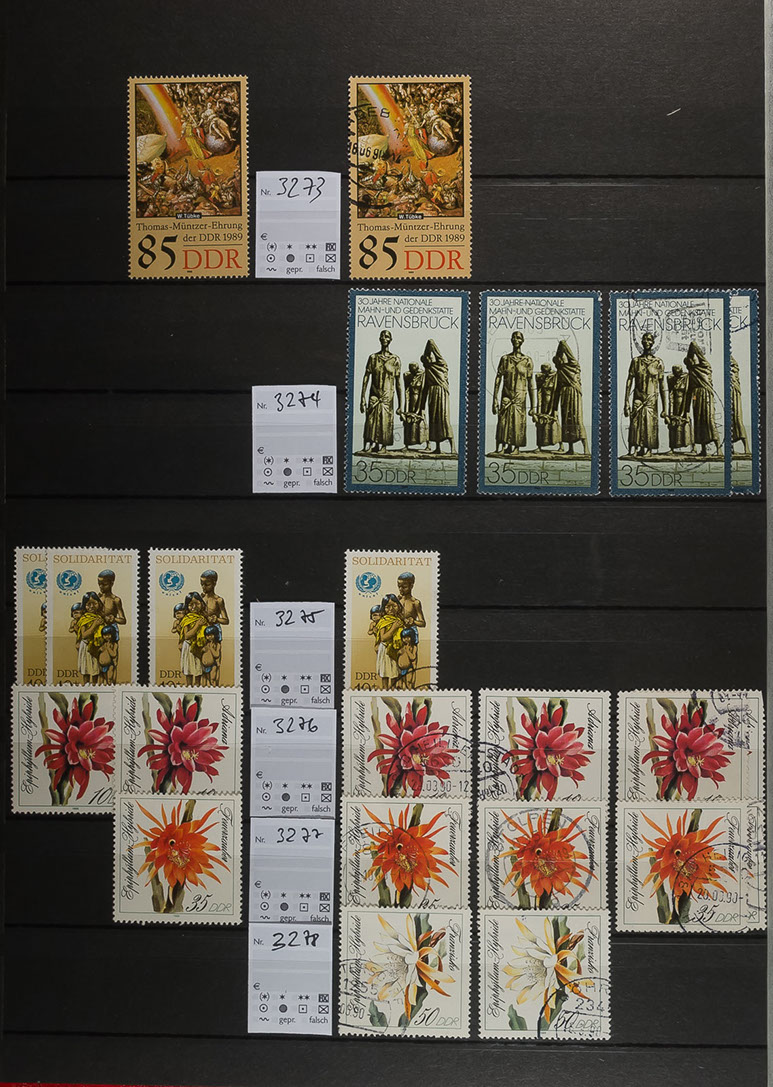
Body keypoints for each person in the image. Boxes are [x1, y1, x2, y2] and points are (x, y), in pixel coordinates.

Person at [623, 332, 667, 457]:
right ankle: (636, 448)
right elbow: (629, 381)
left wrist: (665, 408)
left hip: (651, 398)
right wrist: (626, 402)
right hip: (638, 397)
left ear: (653, 343)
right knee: (635, 423)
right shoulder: (636, 361)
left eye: (649, 340)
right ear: (641, 342)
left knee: (650, 424)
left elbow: (662, 386)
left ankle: (648, 449)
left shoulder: (658, 362)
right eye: (645, 339)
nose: (647, 342)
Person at [491, 331, 535, 454]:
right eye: (514, 337)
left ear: (522, 341)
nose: (516, 340)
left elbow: (531, 384)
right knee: (503, 421)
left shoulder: (527, 361)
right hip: (506, 395)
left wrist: (533, 406)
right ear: (511, 340)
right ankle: (504, 447)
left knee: (518, 422)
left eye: (519, 338)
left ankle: (516, 447)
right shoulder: (505, 359)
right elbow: (498, 378)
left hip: (520, 397)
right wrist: (494, 399)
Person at [360, 330, 403, 453]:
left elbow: (398, 383)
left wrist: (401, 405)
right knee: (371, 420)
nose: (384, 338)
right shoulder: (373, 358)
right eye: (382, 336)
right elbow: (366, 377)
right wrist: (362, 398)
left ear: (390, 340)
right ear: (379, 339)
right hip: (374, 393)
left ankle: (383, 446)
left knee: (385, 420)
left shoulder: (395, 359)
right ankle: (371, 444)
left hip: (387, 396)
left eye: (387, 336)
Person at [684, 341, 721, 457]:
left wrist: (691, 349)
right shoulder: (691, 372)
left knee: (709, 420)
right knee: (699, 422)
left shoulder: (705, 366)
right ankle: (704, 449)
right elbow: (689, 391)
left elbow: (694, 346)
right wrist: (687, 409)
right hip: (696, 397)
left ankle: (719, 449)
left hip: (706, 395)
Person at [552, 340, 588, 454]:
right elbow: (557, 391)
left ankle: (586, 449)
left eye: (561, 358)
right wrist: (554, 409)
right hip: (565, 396)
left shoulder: (573, 365)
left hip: (575, 394)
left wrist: (560, 347)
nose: (560, 360)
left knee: (578, 420)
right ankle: (571, 449)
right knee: (566, 422)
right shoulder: (560, 372)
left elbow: (565, 347)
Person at [420, 339, 456, 454]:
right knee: (434, 420)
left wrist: (427, 352)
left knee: (445, 419)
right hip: (432, 396)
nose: (429, 358)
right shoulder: (428, 370)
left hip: (442, 394)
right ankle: (438, 448)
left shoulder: (441, 364)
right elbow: (425, 389)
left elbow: (430, 342)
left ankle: (453, 448)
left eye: (430, 356)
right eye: (426, 358)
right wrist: (422, 407)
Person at [374, 594, 404, 690]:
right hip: (386, 649)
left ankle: (393, 691)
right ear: (384, 608)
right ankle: (385, 690)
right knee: (385, 673)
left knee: (394, 672)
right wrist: (394, 628)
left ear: (398, 606)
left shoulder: (398, 620)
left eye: (394, 606)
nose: (391, 609)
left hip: (395, 649)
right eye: (388, 607)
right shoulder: (383, 621)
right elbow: (383, 638)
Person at [178, 592, 207, 686]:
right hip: (189, 648)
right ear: (187, 606)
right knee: (189, 672)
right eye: (191, 605)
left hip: (198, 647)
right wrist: (197, 625)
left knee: (198, 672)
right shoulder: (187, 619)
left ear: (201, 604)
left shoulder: (202, 617)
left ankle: (197, 689)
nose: (194, 607)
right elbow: (187, 636)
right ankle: (189, 689)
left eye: (197, 603)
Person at [76, 592, 104, 683]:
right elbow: (84, 635)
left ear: (98, 603)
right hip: (86, 647)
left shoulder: (99, 617)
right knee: (86, 670)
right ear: (84, 606)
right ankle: (86, 687)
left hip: (95, 646)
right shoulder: (84, 618)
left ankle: (95, 687)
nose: (92, 606)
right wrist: (94, 625)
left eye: (94, 603)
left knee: (95, 670)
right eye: (88, 604)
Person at [666, 364, 695, 452]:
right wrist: (670, 411)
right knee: (673, 423)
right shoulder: (671, 379)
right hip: (675, 403)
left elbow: (691, 393)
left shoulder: (686, 378)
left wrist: (687, 408)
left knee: (686, 422)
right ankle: (672, 447)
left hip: (684, 402)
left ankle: (693, 447)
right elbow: (671, 393)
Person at [534, 363, 561, 451]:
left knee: (554, 422)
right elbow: (539, 390)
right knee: (540, 422)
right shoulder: (541, 377)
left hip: (552, 403)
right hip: (543, 403)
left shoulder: (555, 377)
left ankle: (561, 445)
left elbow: (556, 391)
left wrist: (554, 408)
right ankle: (539, 446)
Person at [403, 364, 428, 450]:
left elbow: (423, 390)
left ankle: (428, 444)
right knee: (408, 419)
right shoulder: (408, 376)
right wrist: (406, 407)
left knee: (422, 420)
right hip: (411, 400)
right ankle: (407, 444)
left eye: (412, 369)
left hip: (419, 400)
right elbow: (407, 390)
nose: (410, 371)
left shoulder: (422, 375)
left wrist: (419, 408)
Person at [730, 356, 749, 454]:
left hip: (735, 395)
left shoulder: (734, 372)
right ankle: (731, 449)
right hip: (729, 397)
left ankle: (746, 448)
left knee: (738, 419)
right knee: (730, 422)